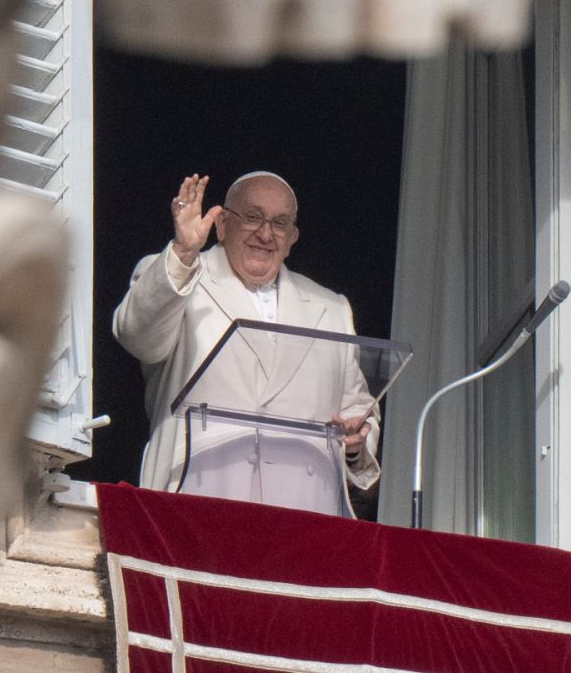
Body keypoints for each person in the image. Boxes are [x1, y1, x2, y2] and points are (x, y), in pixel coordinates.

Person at [112, 171, 379, 515]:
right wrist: (182, 252)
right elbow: (137, 337)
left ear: (292, 238)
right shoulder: (180, 274)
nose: (265, 234)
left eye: (280, 224)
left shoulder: (331, 307)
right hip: (201, 497)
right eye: (252, 218)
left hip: (305, 509)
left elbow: (358, 409)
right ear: (222, 224)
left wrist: (356, 443)